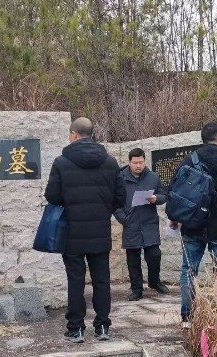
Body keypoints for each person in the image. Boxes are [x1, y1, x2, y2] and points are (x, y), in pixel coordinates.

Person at [44, 117, 126, 343]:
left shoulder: (61, 162)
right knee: (102, 280)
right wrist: (103, 209)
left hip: (72, 232)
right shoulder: (110, 162)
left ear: (73, 134)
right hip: (100, 230)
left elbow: (52, 196)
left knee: (76, 280)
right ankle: (102, 327)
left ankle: (76, 329)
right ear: (92, 134)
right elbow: (120, 197)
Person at [169, 122, 217, 328]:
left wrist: (174, 217)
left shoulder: (191, 159)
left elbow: (175, 189)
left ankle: (187, 318)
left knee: (188, 271)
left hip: (193, 224)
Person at [114, 148, 170, 301]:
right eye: (135, 163)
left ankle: (154, 281)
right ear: (129, 162)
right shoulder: (120, 178)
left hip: (148, 222)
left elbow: (164, 194)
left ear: (145, 161)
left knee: (154, 255)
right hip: (130, 223)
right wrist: (123, 218)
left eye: (141, 162)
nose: (138, 165)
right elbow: (114, 201)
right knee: (133, 260)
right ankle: (136, 289)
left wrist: (156, 199)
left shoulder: (153, 177)